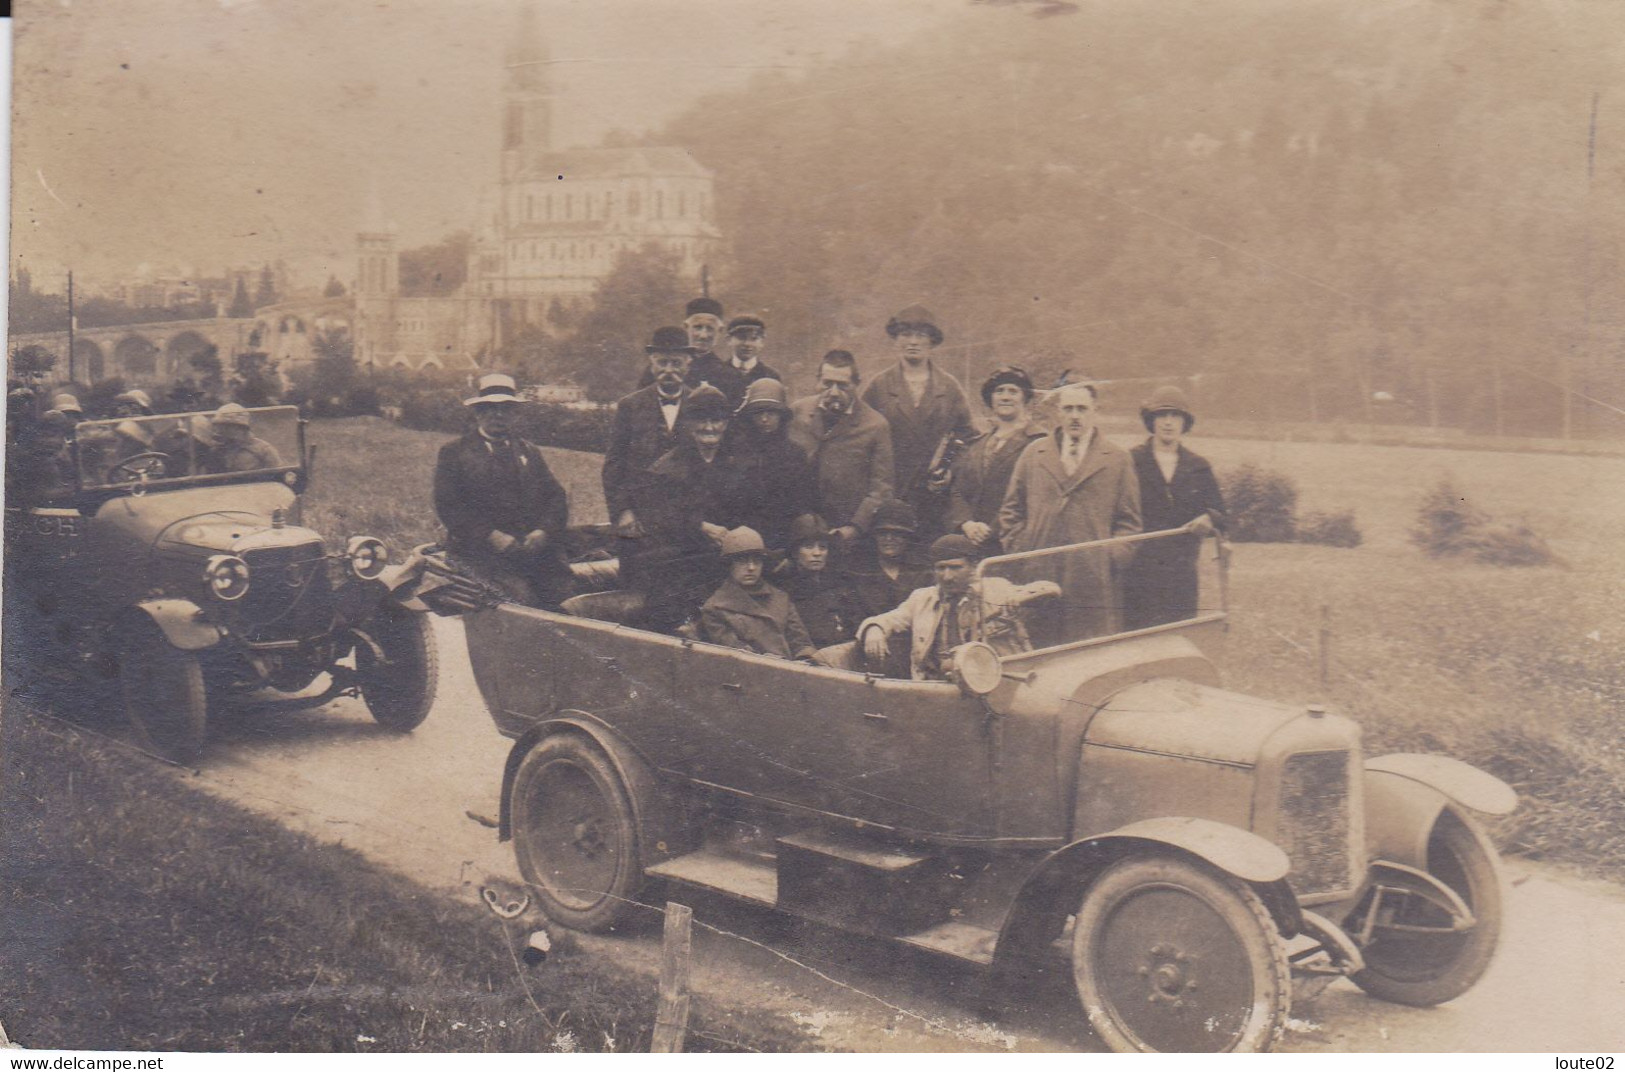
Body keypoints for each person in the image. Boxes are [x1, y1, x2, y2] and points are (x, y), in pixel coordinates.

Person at [998, 380, 1141, 640]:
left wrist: (1110, 556)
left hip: (1092, 577)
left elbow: (1129, 522)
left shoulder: (1117, 458)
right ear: (1058, 412)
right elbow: (1010, 510)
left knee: (1087, 649)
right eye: (1068, 408)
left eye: (1082, 409)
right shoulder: (1034, 454)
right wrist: (1024, 552)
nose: (1075, 416)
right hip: (1039, 573)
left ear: (1095, 411)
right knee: (1038, 645)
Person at [432, 373, 575, 608]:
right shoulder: (455, 453)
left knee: (567, 598)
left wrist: (543, 531)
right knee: (521, 603)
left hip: (532, 552)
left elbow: (556, 497)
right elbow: (449, 507)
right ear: (478, 412)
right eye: (490, 408)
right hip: (479, 554)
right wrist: (491, 535)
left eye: (506, 409)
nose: (498, 415)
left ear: (514, 414)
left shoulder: (528, 451)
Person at [621, 383, 756, 631]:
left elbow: (747, 509)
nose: (709, 427)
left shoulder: (738, 464)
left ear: (726, 423)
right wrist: (700, 527)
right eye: (701, 420)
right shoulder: (667, 468)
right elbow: (657, 518)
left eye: (716, 420)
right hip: (679, 565)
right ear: (689, 423)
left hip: (725, 561)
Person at [857, 534, 1060, 681]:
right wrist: (874, 628)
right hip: (936, 686)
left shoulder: (996, 589)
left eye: (955, 567)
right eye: (941, 568)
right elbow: (891, 618)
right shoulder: (922, 598)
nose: (947, 576)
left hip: (992, 683)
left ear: (973, 567)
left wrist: (1024, 598)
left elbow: (1049, 589)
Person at [860, 305, 976, 535]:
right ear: (895, 340)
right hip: (891, 493)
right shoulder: (879, 386)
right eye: (905, 334)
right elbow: (861, 437)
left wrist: (950, 470)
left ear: (932, 342)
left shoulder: (949, 387)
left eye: (920, 335)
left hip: (935, 496)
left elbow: (967, 437)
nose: (913, 342)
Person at [1123, 386, 1225, 631]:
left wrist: (1208, 519)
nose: (1168, 423)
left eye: (1175, 416)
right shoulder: (1130, 461)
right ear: (1151, 420)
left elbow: (1221, 512)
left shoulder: (1199, 466)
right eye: (1162, 415)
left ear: (1185, 422)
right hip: (1139, 571)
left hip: (1181, 572)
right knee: (1137, 639)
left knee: (1177, 639)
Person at [787, 350, 895, 545]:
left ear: (856, 384)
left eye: (843, 385)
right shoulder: (797, 412)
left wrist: (855, 528)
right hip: (798, 528)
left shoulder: (876, 425)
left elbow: (881, 489)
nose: (834, 392)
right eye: (827, 384)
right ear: (818, 381)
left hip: (846, 532)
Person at [945, 365, 1049, 553]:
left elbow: (1036, 497)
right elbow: (958, 490)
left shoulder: (1040, 442)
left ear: (1025, 398)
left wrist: (993, 529)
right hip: (972, 542)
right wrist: (966, 523)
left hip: (1014, 542)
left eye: (1013, 391)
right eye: (999, 391)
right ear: (990, 399)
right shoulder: (976, 445)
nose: (1005, 397)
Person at [603, 326, 694, 536]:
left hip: (687, 518)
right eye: (663, 362)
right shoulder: (630, 406)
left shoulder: (700, 403)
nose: (669, 370)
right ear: (651, 364)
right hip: (640, 517)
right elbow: (614, 464)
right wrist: (622, 511)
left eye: (676, 363)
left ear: (688, 365)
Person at [699, 527, 820, 662]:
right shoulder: (715, 608)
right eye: (743, 561)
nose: (751, 568)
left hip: (793, 671)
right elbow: (737, 654)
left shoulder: (781, 598)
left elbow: (801, 642)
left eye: (756, 561)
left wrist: (807, 659)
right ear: (729, 564)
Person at [723, 378, 818, 549]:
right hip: (741, 541)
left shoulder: (795, 454)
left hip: (782, 542)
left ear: (781, 416)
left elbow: (802, 505)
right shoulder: (735, 451)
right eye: (758, 413)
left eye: (771, 413)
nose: (765, 419)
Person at [775, 513, 865, 649]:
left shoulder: (840, 584)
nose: (817, 553)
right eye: (809, 547)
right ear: (795, 552)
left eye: (822, 547)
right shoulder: (785, 590)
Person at [849, 498, 933, 620]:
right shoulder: (860, 573)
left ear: (908, 538)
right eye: (882, 533)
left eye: (897, 534)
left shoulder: (924, 572)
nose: (888, 539)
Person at [638, 297, 740, 399]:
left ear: (720, 331)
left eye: (710, 328)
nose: (703, 335)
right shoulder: (659, 369)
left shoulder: (729, 375)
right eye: (697, 327)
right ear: (686, 327)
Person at [5, 410, 76, 506]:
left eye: (56, 430)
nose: (50, 435)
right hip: (44, 495)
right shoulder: (37, 448)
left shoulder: (64, 446)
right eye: (48, 429)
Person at [209, 403, 284, 471]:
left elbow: (279, 474)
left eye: (225, 427)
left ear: (240, 427)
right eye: (219, 427)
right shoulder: (217, 449)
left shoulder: (263, 449)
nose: (220, 431)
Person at [723, 315, 782, 398]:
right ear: (729, 340)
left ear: (762, 342)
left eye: (754, 339)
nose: (747, 344)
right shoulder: (718, 372)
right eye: (741, 338)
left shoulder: (770, 376)